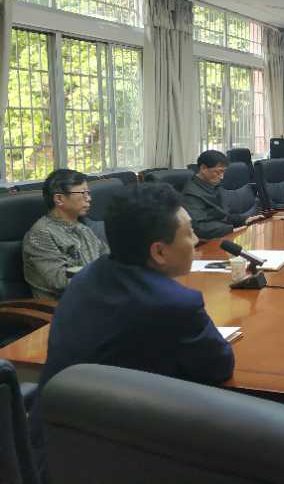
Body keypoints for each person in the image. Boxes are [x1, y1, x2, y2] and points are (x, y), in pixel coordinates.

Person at [31, 183, 234, 476]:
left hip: (49, 445)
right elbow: (219, 367)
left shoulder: (89, 275)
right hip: (119, 458)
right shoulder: (175, 304)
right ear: (159, 251)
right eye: (189, 232)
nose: (196, 239)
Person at [23, 169, 108, 300]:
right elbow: (60, 280)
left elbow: (108, 258)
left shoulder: (83, 228)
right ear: (59, 199)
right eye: (83, 193)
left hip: (94, 296)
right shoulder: (41, 234)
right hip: (64, 305)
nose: (89, 198)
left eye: (88, 193)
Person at [182, 150, 260, 239]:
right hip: (208, 241)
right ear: (203, 168)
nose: (222, 177)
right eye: (218, 172)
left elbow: (224, 215)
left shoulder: (214, 185)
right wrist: (231, 229)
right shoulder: (191, 194)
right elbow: (199, 228)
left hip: (223, 234)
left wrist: (244, 220)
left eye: (223, 172)